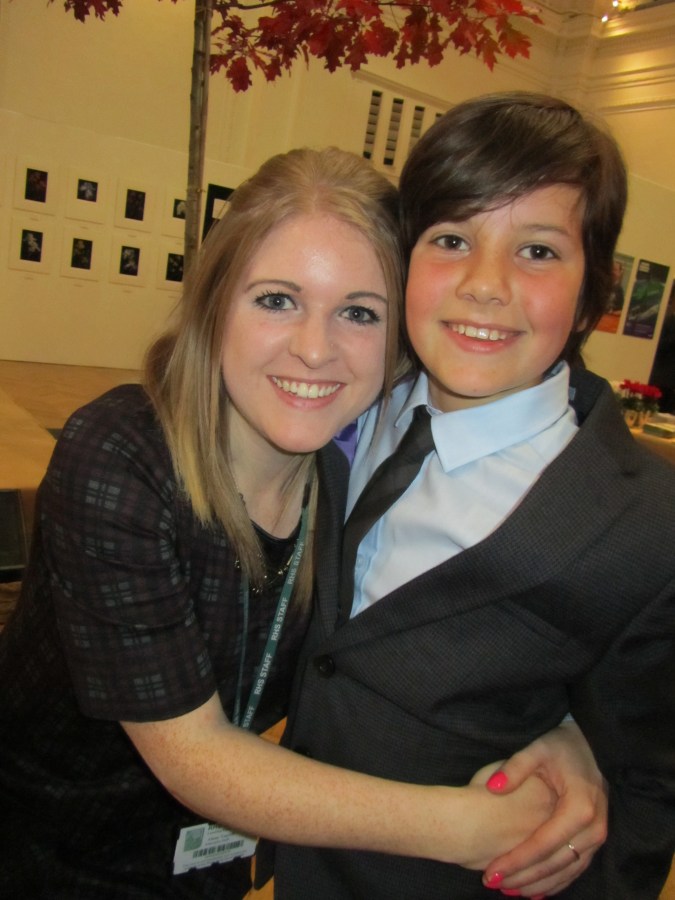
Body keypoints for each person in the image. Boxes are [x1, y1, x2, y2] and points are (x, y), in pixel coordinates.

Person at [0, 146, 602, 899]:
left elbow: (445, 642)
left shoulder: (359, 471)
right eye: (277, 300)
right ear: (215, 301)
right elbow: (193, 754)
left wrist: (563, 734)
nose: (315, 350)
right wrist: (469, 828)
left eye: (358, 313)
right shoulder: (122, 458)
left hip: (209, 870)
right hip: (45, 853)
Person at [270, 94, 675, 899]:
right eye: (451, 239)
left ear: (592, 289)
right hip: (300, 860)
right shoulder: (346, 398)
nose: (485, 284)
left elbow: (645, 788)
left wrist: (584, 738)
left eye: (537, 250)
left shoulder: (644, 530)